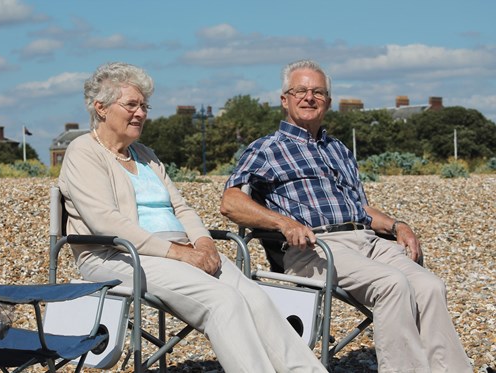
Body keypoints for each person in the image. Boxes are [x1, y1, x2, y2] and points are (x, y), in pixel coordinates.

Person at [58, 61, 326, 373]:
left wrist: (204, 244)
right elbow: (105, 221)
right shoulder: (84, 152)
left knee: (256, 297)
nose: (141, 113)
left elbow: (182, 208)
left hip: (179, 251)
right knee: (223, 301)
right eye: (131, 104)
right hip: (117, 255)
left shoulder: (145, 155)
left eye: (144, 106)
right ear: (101, 108)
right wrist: (179, 253)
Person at [220, 59, 473, 373]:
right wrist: (283, 222)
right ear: (284, 100)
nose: (309, 97)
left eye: (318, 92)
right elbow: (230, 202)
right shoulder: (266, 148)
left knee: (430, 287)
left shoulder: (338, 148)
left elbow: (361, 208)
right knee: (392, 284)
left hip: (365, 239)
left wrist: (397, 225)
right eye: (300, 90)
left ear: (328, 102)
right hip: (315, 247)